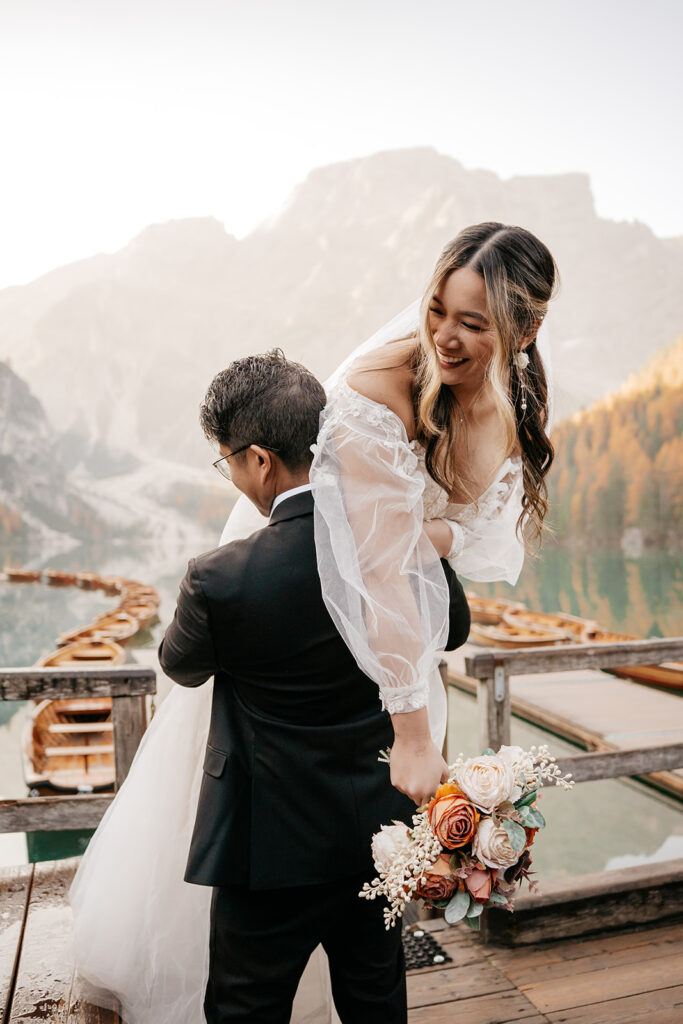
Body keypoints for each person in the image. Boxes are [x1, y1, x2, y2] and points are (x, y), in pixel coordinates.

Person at [69, 221, 557, 1022]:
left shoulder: (506, 392)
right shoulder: (374, 389)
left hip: (371, 650)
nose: (444, 334)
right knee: (343, 909)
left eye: (473, 323)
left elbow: (431, 553)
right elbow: (377, 568)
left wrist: (423, 537)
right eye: (438, 309)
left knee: (328, 937)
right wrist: (412, 728)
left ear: (524, 330)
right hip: (342, 624)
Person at [157, 350, 471, 1022]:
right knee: (375, 1002)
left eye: (229, 461)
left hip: (265, 849)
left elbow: (179, 665)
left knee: (247, 1007)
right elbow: (455, 627)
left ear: (260, 460)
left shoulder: (219, 579)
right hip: (378, 838)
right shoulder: (392, 542)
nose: (235, 476)